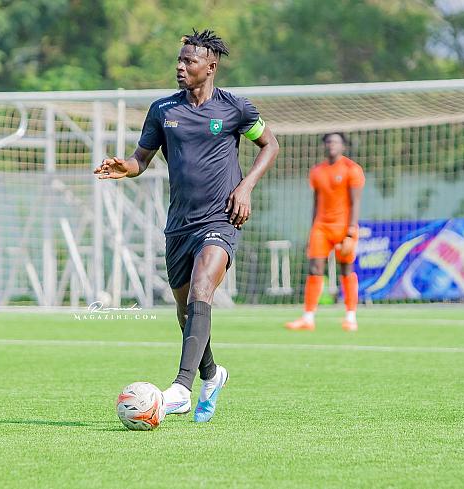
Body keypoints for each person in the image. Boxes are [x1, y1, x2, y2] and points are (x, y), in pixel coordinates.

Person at [94, 29, 279, 422]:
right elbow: (141, 159)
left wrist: (245, 187)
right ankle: (211, 374)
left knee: (201, 290)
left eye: (188, 61)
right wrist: (125, 166)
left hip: (221, 219)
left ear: (210, 67)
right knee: (187, 312)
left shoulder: (235, 108)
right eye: (179, 60)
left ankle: (181, 388)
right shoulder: (162, 110)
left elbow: (271, 144)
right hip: (179, 225)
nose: (180, 67)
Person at [286, 132, 365, 332]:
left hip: (344, 227)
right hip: (321, 227)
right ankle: (308, 318)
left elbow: (355, 202)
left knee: (346, 269)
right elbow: (316, 202)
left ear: (343, 146)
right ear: (324, 145)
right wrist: (312, 228)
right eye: (328, 142)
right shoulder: (317, 171)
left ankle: (350, 317)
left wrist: (351, 231)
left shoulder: (352, 169)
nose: (331, 145)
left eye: (336, 142)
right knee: (315, 269)